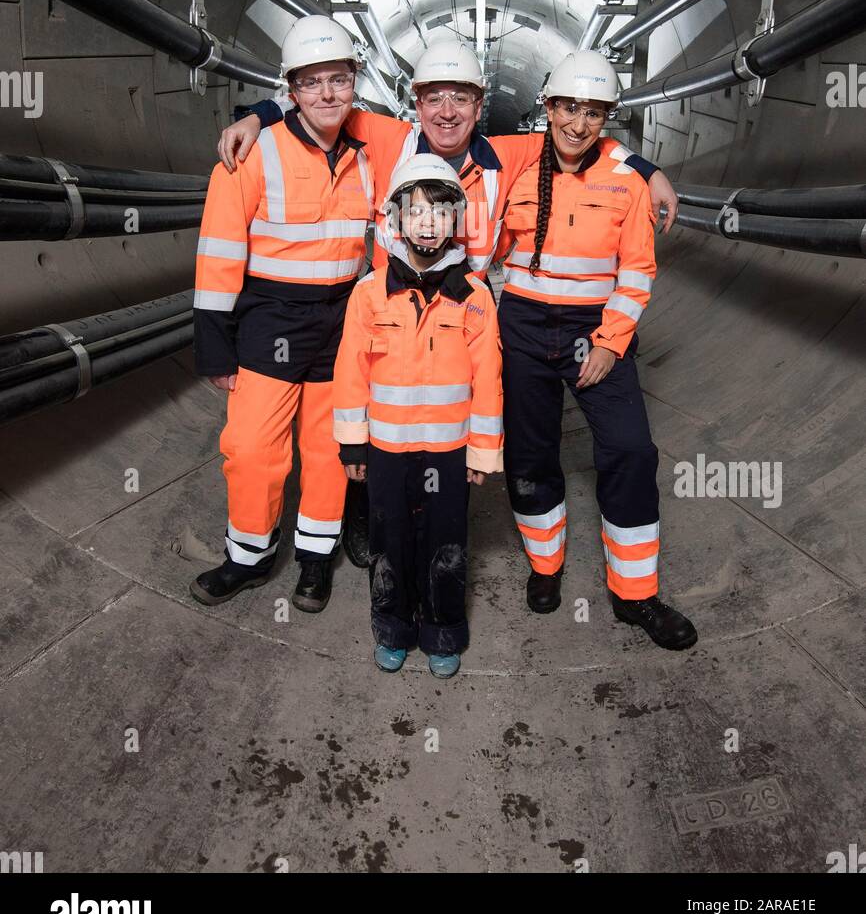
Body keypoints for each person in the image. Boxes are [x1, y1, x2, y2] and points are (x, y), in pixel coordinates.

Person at [216, 38, 679, 563]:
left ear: (480, 107)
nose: (447, 111)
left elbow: (579, 133)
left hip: (462, 314)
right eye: (434, 97)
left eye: (461, 98)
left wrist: (646, 168)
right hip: (390, 309)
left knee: (441, 421)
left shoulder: (503, 156)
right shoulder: (390, 141)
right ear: (416, 103)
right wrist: (257, 114)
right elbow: (324, 102)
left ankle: (436, 525)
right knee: (380, 413)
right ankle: (366, 506)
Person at [190, 16, 390, 614]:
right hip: (268, 319)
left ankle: (314, 561)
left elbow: (445, 131)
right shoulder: (251, 153)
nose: (328, 95)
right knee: (252, 448)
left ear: (355, 81)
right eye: (312, 83)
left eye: (339, 80)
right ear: (291, 89)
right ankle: (247, 558)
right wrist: (215, 345)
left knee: (330, 450)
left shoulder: (368, 153)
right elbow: (218, 253)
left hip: (340, 321)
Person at [497, 51, 697, 650]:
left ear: (606, 117)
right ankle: (545, 567)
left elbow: (637, 270)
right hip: (523, 326)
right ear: (548, 108)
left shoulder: (625, 177)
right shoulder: (512, 159)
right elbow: (439, 135)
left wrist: (611, 342)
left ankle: (636, 594)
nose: (579, 124)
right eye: (568, 108)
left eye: (594, 112)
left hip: (595, 326)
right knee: (531, 454)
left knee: (631, 449)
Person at [332, 154, 504, 677]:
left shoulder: (474, 297)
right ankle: (392, 629)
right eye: (415, 211)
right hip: (386, 450)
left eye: (440, 212)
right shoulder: (368, 293)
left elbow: (488, 380)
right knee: (390, 543)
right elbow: (350, 372)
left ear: (458, 222)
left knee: (445, 544)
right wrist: (352, 443)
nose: (427, 223)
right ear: (395, 220)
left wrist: (483, 452)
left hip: (449, 453)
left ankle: (443, 632)